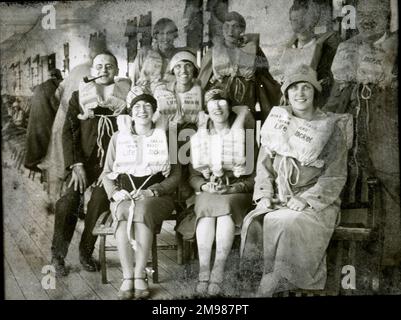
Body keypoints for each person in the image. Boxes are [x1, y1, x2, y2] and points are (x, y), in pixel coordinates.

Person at [240, 65, 349, 296]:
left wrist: (306, 199)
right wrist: (265, 196)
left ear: (314, 92)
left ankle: (278, 280)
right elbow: (264, 168)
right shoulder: (278, 124)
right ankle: (263, 280)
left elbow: (335, 175)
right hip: (281, 198)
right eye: (294, 89)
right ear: (286, 94)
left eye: (306, 88)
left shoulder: (329, 129)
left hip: (316, 203)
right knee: (255, 222)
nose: (300, 94)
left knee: (289, 223)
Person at [324, 0, 400, 274]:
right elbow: (336, 95)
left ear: (386, 17)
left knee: (389, 181)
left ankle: (390, 260)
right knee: (345, 178)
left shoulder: (395, 46)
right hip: (353, 125)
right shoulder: (347, 48)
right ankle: (346, 259)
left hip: (385, 125)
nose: (367, 21)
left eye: (374, 15)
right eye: (363, 15)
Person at [51, 51, 131, 276]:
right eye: (99, 66)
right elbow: (69, 133)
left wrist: (112, 171)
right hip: (82, 163)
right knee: (69, 202)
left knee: (99, 200)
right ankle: (57, 255)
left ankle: (86, 251)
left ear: (116, 71)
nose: (104, 70)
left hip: (112, 166)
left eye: (109, 66)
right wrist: (76, 165)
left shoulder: (125, 98)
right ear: (92, 71)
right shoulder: (79, 96)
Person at [101, 90, 181, 300]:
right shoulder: (119, 137)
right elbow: (107, 173)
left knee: (142, 209)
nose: (142, 110)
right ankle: (128, 277)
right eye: (137, 107)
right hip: (125, 195)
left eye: (147, 106)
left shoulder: (167, 137)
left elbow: (176, 176)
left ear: (154, 111)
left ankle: (140, 276)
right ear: (131, 112)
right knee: (122, 212)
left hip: (156, 195)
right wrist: (115, 193)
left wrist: (155, 190)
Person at [189, 89, 255, 296]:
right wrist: (203, 185)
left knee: (226, 207)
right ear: (206, 111)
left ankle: (218, 270)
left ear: (230, 107)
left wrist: (234, 187)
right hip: (209, 191)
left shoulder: (246, 136)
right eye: (212, 104)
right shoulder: (200, 137)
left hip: (236, 191)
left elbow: (255, 177)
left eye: (222, 103)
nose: (217, 108)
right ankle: (204, 271)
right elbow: (193, 176)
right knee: (208, 208)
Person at [39, 38, 108, 213]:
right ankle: (77, 206)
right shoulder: (95, 72)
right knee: (75, 162)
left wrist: (62, 111)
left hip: (63, 120)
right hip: (78, 124)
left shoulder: (76, 69)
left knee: (60, 162)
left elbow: (56, 95)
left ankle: (55, 200)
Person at [198, 11, 281, 123]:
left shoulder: (254, 51)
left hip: (246, 103)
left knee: (246, 135)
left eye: (235, 26)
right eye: (226, 26)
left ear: (242, 30)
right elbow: (202, 83)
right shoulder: (212, 53)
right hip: (221, 106)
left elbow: (265, 78)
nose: (230, 31)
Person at [276, 0, 340, 107]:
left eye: (304, 19)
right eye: (295, 20)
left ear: (313, 21)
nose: (300, 25)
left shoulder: (326, 50)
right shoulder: (285, 49)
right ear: (290, 22)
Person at [24, 69, 63, 171]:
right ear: (58, 77)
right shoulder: (53, 87)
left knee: (34, 142)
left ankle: (31, 162)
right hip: (45, 120)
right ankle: (44, 166)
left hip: (34, 120)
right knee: (48, 142)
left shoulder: (40, 86)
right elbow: (57, 108)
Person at [129, 18, 180, 93]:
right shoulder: (145, 52)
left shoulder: (179, 56)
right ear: (156, 36)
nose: (165, 37)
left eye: (169, 33)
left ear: (175, 35)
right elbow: (134, 79)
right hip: (146, 99)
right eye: (161, 33)